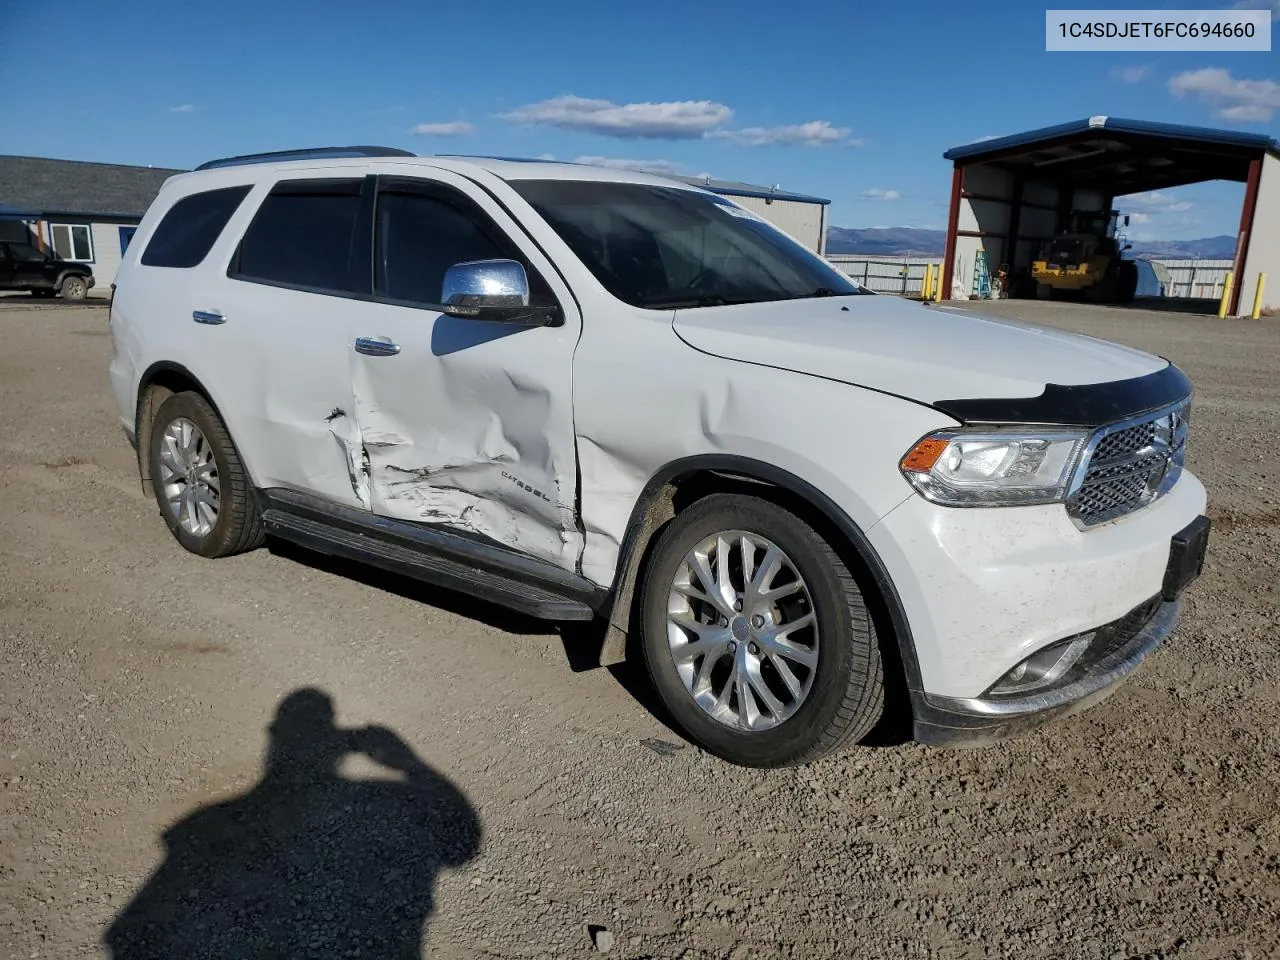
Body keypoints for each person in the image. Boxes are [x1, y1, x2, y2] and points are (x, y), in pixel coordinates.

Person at [103, 688, 481, 959]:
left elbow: (126, 934)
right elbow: (462, 845)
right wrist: (409, 764)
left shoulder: (203, 825)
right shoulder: (384, 798)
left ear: (274, 740)